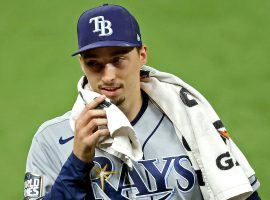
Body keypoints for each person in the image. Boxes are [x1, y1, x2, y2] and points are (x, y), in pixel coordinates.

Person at [24, 4, 260, 200]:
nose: (108, 76)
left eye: (118, 60)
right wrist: (77, 161)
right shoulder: (51, 138)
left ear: (142, 55)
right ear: (82, 64)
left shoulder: (190, 120)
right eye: (94, 63)